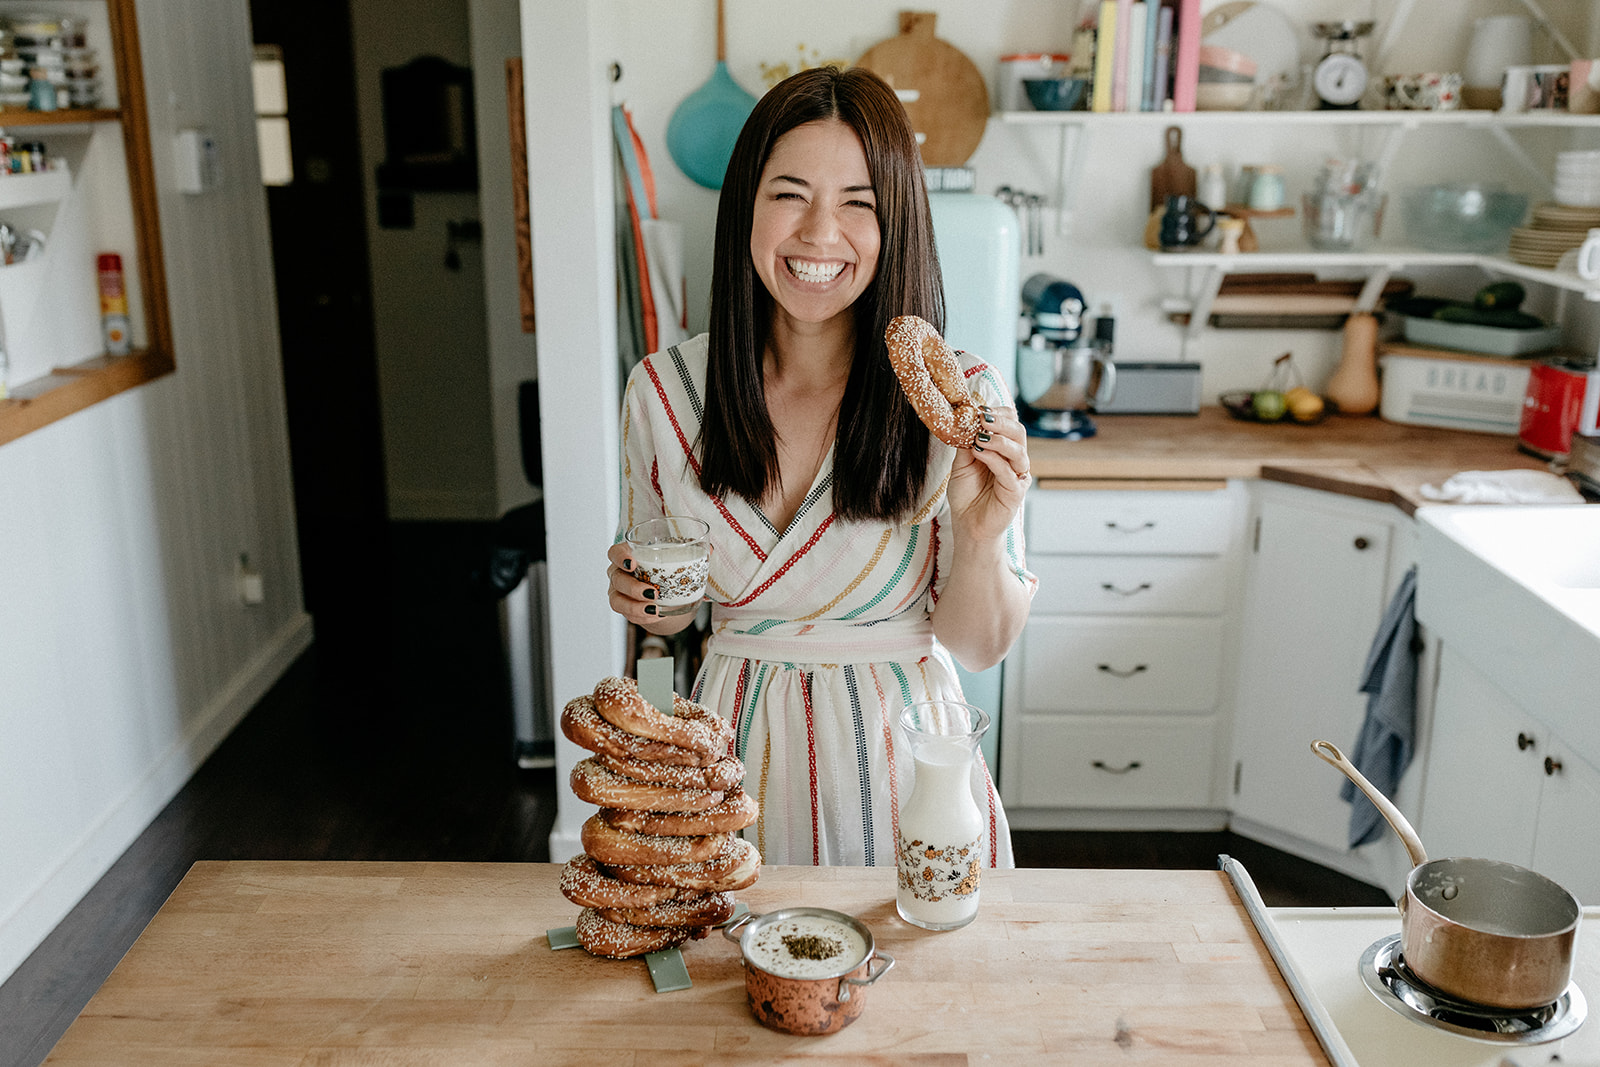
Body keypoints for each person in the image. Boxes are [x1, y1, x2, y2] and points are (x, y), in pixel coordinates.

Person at [605, 66, 1035, 868]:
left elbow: (976, 647)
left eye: (858, 203)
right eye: (790, 194)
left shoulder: (960, 399)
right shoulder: (664, 394)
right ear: (746, 206)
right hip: (728, 760)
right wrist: (644, 597)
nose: (819, 233)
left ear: (894, 223)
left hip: (904, 767)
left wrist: (981, 535)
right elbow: (674, 615)